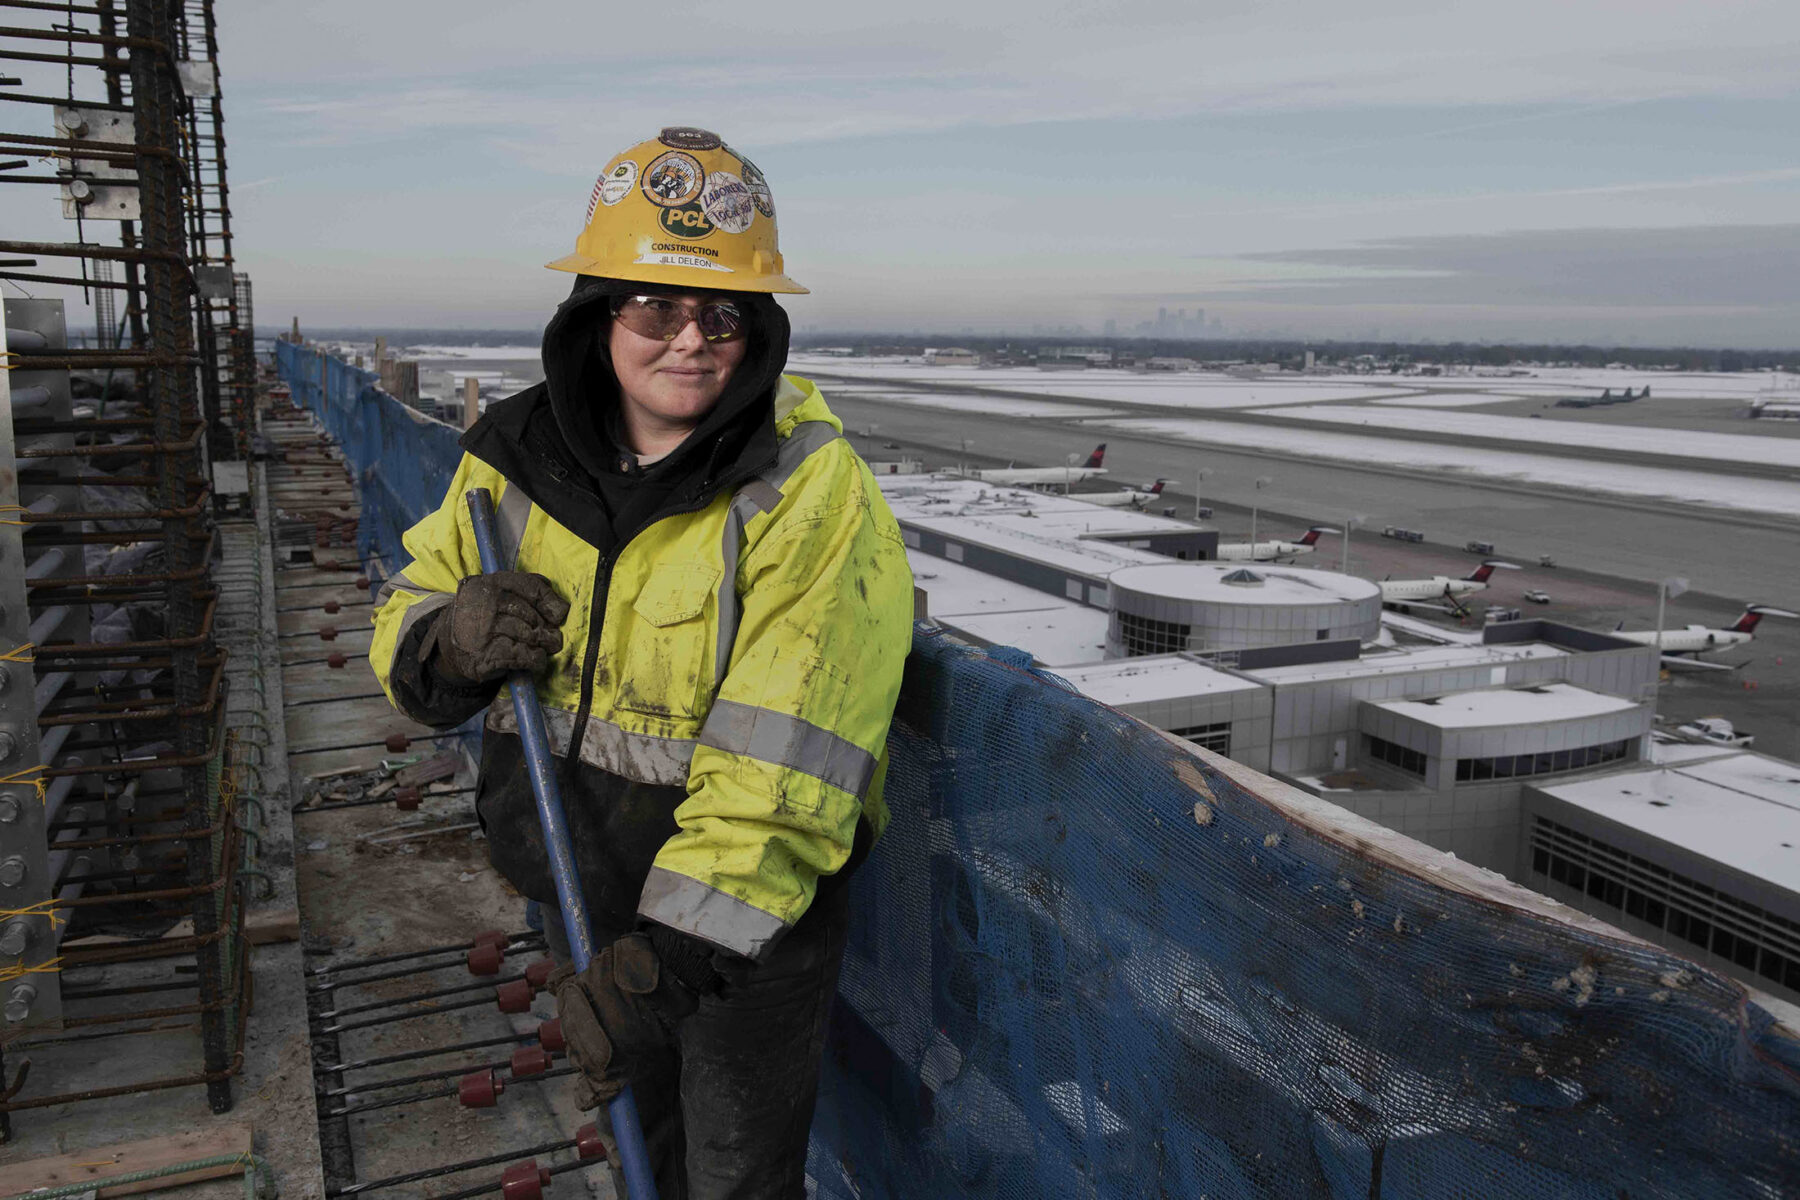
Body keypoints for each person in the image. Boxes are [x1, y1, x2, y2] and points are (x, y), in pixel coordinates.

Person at [368, 127, 915, 1198]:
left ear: (759, 327)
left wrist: (669, 961)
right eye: (656, 308)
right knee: (646, 1158)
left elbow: (789, 762)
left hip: (735, 931)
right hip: (577, 889)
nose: (692, 340)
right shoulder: (513, 455)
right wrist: (449, 640)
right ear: (596, 313)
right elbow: (408, 611)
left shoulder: (805, 487)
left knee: (731, 1179)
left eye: (724, 312)